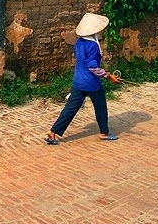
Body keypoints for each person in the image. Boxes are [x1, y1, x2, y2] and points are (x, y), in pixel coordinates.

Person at [45, 12, 121, 145]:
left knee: (70, 108)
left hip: (78, 81)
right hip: (92, 83)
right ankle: (104, 132)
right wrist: (108, 76)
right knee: (101, 107)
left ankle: (53, 132)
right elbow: (93, 67)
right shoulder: (93, 46)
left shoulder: (79, 42)